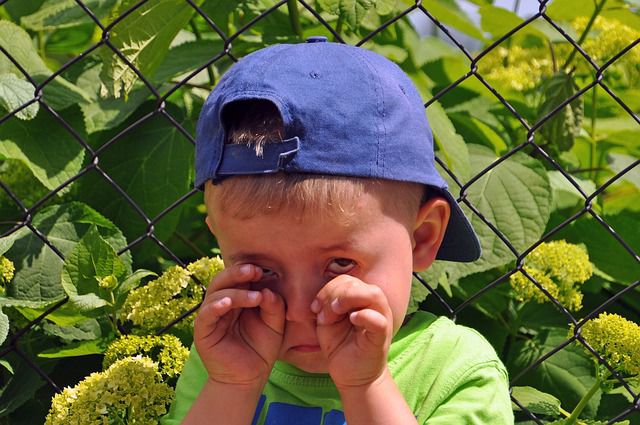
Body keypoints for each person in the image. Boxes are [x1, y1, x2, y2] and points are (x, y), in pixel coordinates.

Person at [161, 36, 514, 425]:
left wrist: (368, 385)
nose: (298, 310)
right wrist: (231, 385)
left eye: (341, 263)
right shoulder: (222, 359)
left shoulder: (454, 372)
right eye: (263, 271)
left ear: (422, 237)